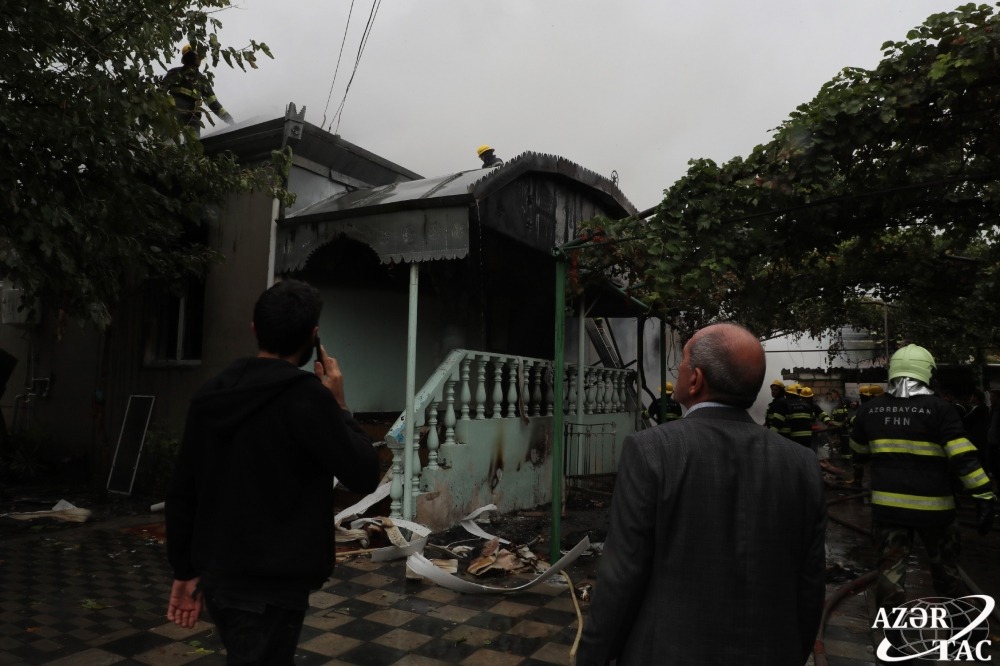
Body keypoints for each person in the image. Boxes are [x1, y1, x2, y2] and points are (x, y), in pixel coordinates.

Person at [577, 323, 826, 665]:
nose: (678, 369)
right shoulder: (802, 464)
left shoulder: (651, 450)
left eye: (682, 361)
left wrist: (593, 656)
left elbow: (621, 576)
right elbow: (810, 587)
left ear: (695, 379)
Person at [165, 279, 380, 664]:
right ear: (313, 337)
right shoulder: (307, 398)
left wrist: (184, 571)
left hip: (219, 580)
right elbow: (364, 473)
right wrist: (340, 406)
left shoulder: (211, 393)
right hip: (274, 586)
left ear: (255, 329)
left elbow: (182, 491)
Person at [850, 344, 995, 611]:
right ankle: (962, 625)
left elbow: (858, 452)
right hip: (935, 512)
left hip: (889, 510)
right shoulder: (940, 409)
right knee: (946, 573)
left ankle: (893, 630)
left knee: (890, 574)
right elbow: (962, 456)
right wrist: (984, 495)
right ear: (928, 372)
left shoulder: (869, 410)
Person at [162, 44, 235, 138]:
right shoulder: (175, 73)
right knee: (166, 140)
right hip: (174, 113)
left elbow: (213, 103)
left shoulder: (202, 80)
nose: (200, 59)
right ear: (191, 56)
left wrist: (229, 120)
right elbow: (160, 93)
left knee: (194, 142)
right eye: (198, 56)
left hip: (192, 118)